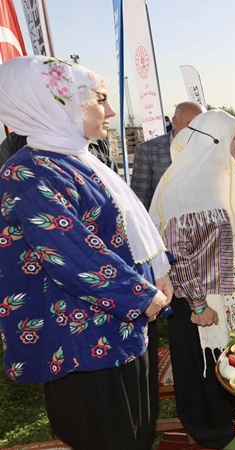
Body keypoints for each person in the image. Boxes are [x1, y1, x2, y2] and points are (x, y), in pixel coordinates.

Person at [0, 55, 173, 450]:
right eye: (99, 98)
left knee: (135, 433)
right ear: (58, 103)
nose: (110, 110)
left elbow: (126, 231)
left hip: (122, 326)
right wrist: (143, 295)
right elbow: (72, 254)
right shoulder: (30, 171)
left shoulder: (76, 158)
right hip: (80, 341)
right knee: (107, 437)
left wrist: (157, 273)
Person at [150, 110, 235, 450]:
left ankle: (234, 414)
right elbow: (177, 254)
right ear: (215, 142)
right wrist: (198, 305)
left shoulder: (221, 177)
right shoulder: (185, 189)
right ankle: (214, 433)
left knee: (233, 358)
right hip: (203, 305)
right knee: (205, 367)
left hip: (233, 297)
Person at [131, 101, 205, 209]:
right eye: (191, 125)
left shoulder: (210, 148)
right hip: (162, 222)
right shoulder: (148, 150)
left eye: (201, 125)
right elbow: (140, 197)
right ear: (175, 122)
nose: (197, 131)